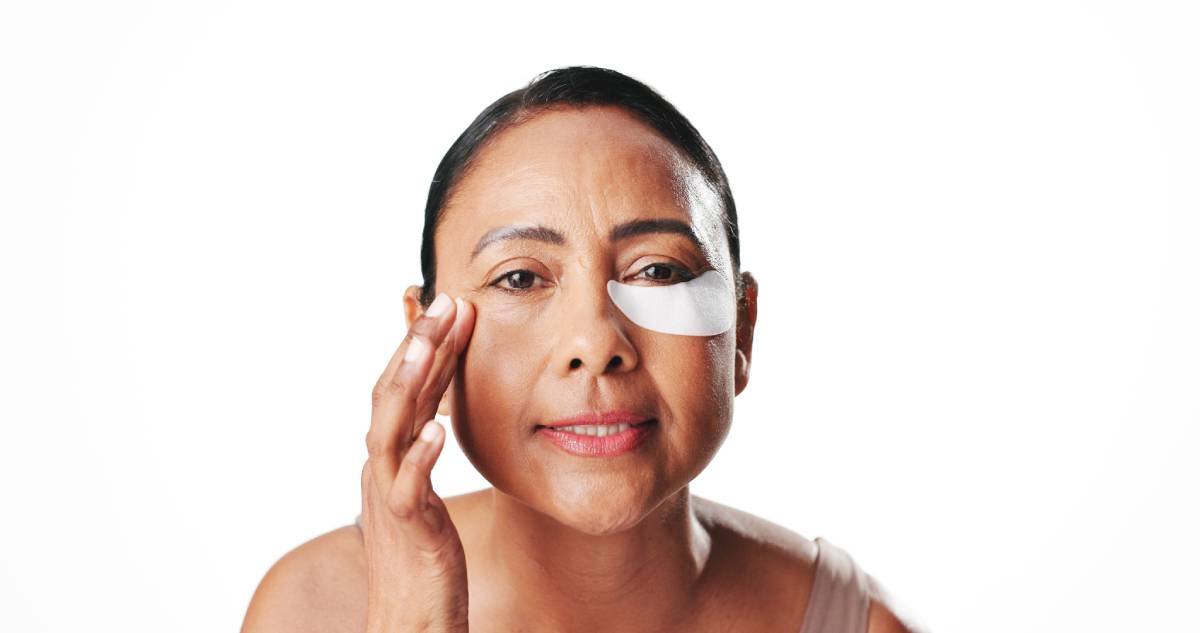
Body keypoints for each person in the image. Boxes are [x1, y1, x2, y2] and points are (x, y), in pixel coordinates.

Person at [240, 66, 925, 633]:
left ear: (741, 329)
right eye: (520, 277)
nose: (596, 343)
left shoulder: (857, 624)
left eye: (657, 270)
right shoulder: (314, 609)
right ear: (427, 342)